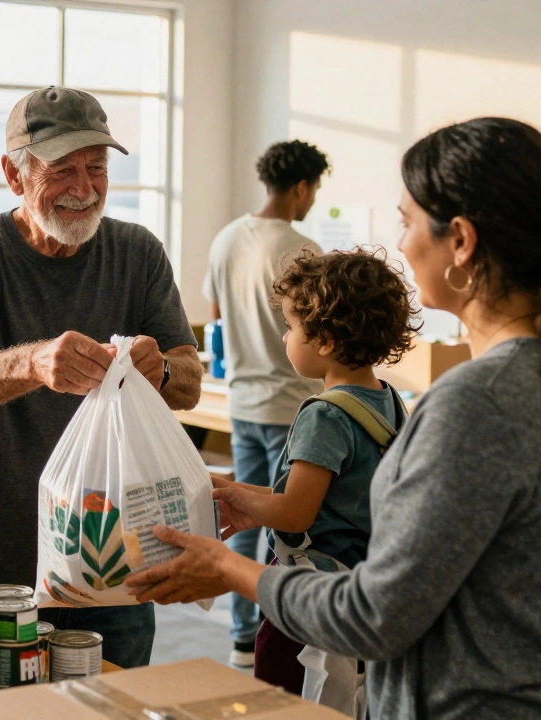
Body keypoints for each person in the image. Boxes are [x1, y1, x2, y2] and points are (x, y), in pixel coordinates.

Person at [127, 117, 541, 718]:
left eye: (407, 222)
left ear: (459, 241)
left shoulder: (478, 403)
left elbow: (373, 615)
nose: (402, 243)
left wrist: (230, 568)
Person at [0, 86, 204, 668]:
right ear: (13, 174)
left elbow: (189, 383)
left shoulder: (138, 253)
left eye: (97, 168)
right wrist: (32, 362)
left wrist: (164, 368)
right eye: (62, 171)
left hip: (117, 560)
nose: (84, 188)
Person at [212, 249, 417, 703]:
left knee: (280, 703)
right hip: (353, 585)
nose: (286, 337)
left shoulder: (325, 415)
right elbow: (324, 496)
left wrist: (245, 504)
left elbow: (296, 511)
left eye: (291, 327)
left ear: (323, 340)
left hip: (304, 597)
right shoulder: (387, 400)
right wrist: (235, 489)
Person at [201, 139, 329, 668]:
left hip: (241, 402)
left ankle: (238, 640)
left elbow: (214, 318)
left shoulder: (226, 237)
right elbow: (321, 336)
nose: (314, 201)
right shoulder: (301, 247)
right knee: (289, 533)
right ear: (301, 186)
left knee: (237, 518)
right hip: (291, 408)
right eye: (315, 190)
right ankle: (277, 643)